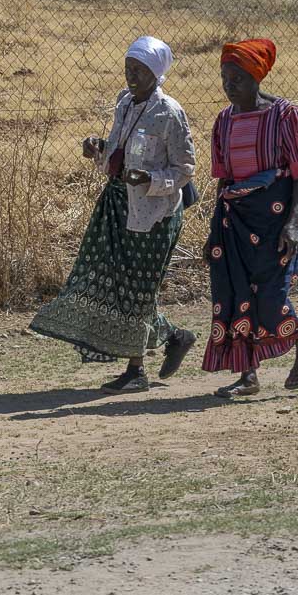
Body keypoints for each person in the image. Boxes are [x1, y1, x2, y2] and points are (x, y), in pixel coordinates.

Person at [31, 36, 198, 394]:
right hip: (117, 204)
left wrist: (150, 180)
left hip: (153, 213)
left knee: (139, 287)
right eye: (127, 69)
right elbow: (120, 156)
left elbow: (184, 169)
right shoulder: (124, 104)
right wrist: (98, 149)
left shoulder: (169, 112)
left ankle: (136, 369)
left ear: (156, 74)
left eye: (139, 70)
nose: (131, 76)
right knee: (113, 280)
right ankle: (173, 336)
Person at [205, 38, 298, 398]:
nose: (229, 86)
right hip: (235, 220)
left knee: (271, 296)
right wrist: (215, 231)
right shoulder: (224, 121)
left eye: (237, 79)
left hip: (276, 219)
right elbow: (224, 178)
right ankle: (248, 375)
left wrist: (293, 221)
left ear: (257, 78)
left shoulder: (284, 115)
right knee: (234, 293)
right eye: (225, 78)